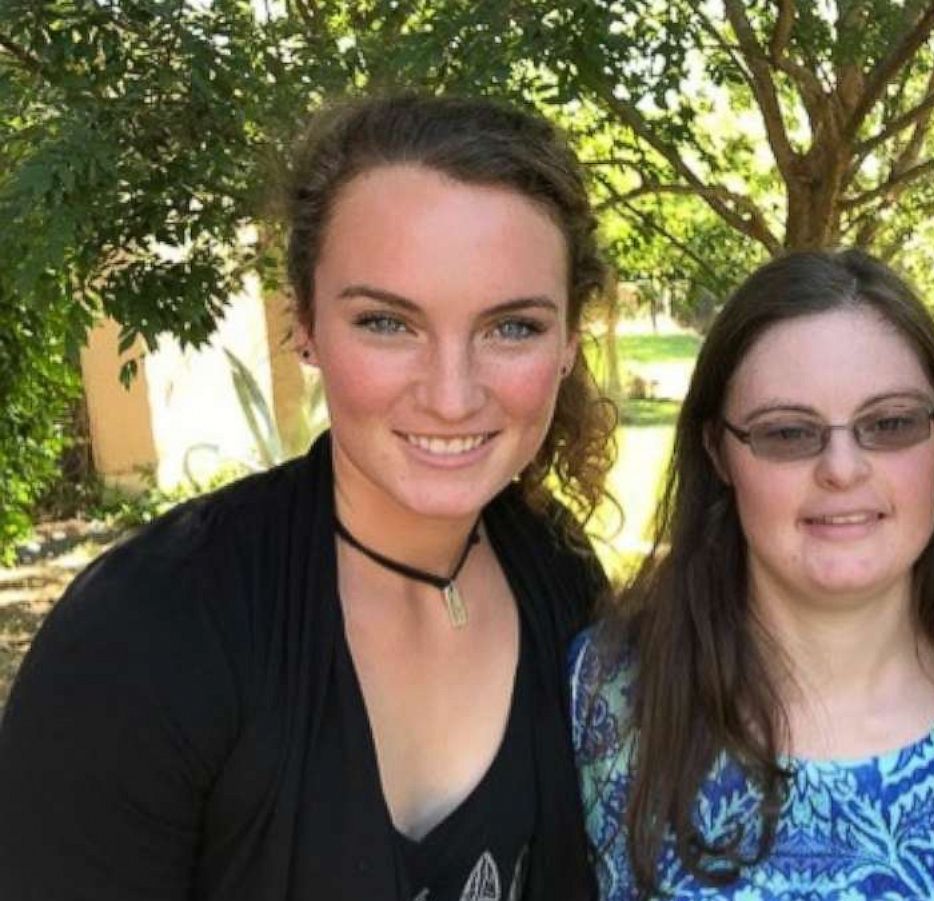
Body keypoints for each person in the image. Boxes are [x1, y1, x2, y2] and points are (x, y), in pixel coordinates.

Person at [0, 94, 615, 900]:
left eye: (512, 328)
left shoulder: (559, 575)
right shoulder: (148, 633)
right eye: (388, 323)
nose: (453, 395)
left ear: (569, 340)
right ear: (306, 325)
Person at [570, 249, 934, 899]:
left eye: (891, 423)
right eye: (787, 432)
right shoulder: (602, 698)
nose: (842, 468)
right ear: (718, 452)